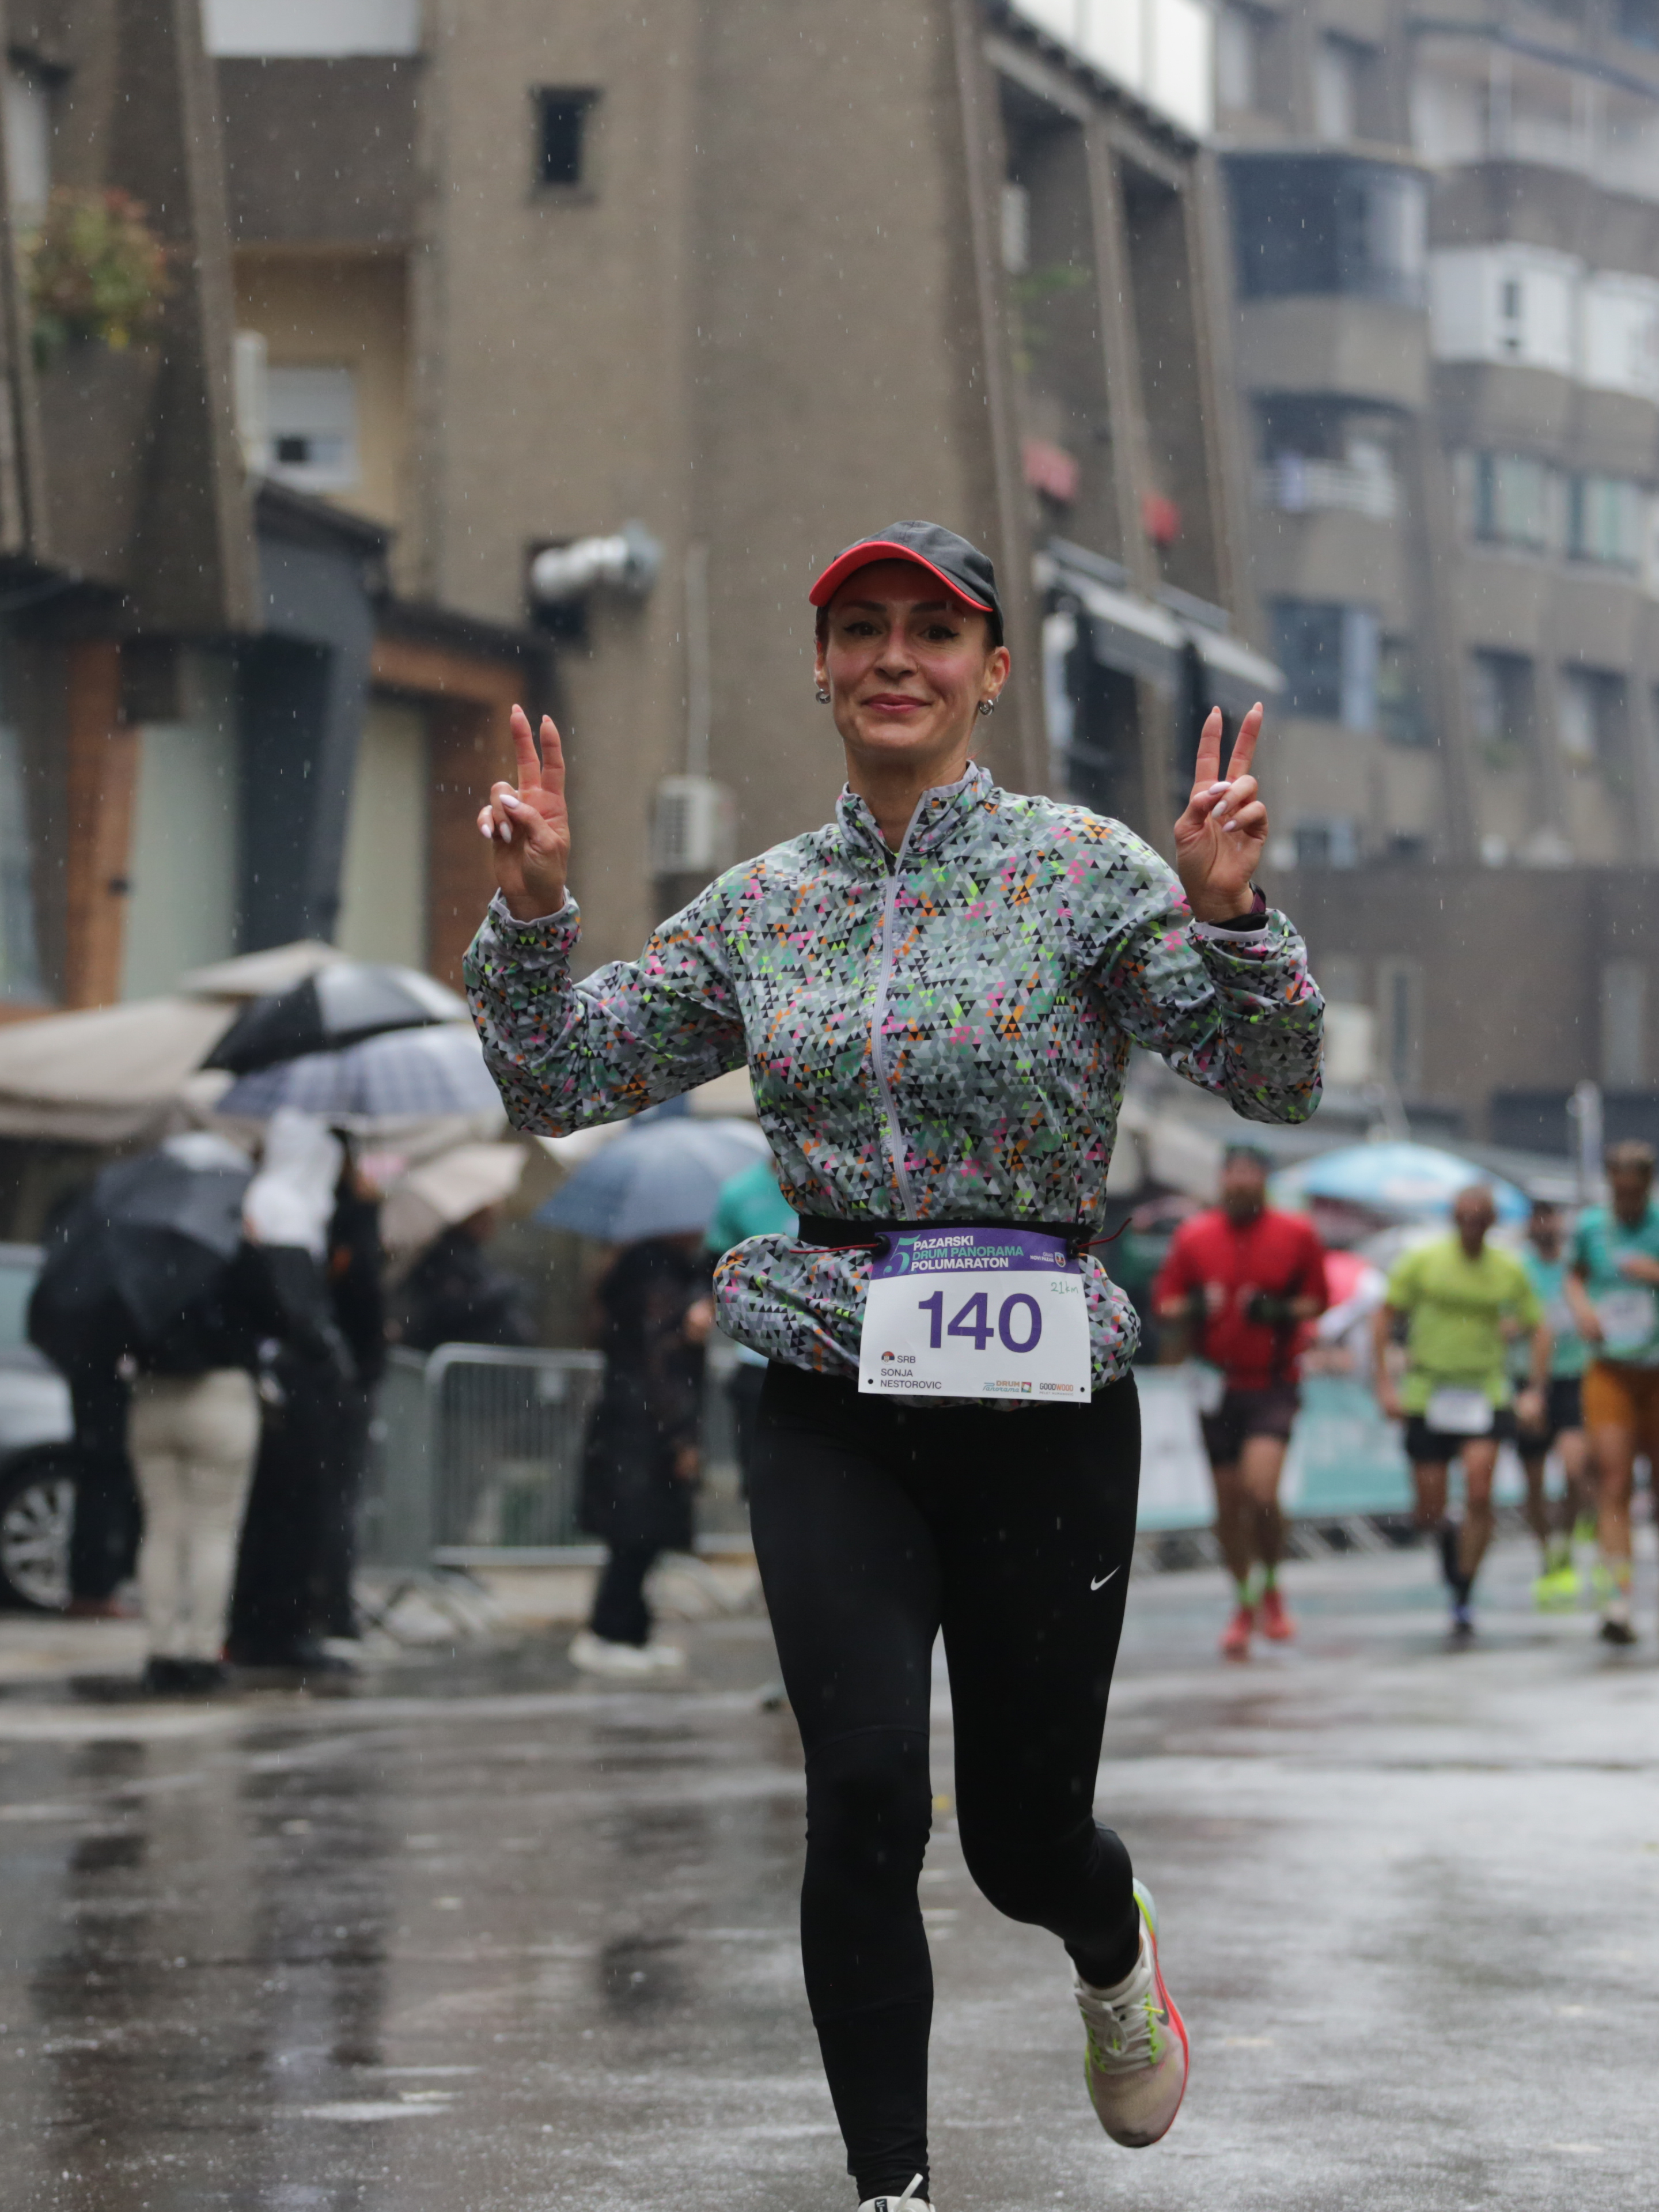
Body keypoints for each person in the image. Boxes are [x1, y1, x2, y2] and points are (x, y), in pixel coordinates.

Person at [465, 520, 1323, 2208]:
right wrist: (535, 909)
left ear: (990, 670)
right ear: (822, 666)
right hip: (835, 1387)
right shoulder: (766, 903)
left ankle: (1109, 1943)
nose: (893, 658)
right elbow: (560, 1077)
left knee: (1018, 1836)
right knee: (860, 1790)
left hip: (1038, 1397)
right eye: (860, 627)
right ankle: (891, 2189)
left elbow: (1273, 1077)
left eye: (933, 630)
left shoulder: (1082, 869)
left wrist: (1232, 917)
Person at [1153, 1146, 1326, 1660]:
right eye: (1234, 1174)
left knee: (1261, 1491)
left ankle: (1271, 1583)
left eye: (1252, 1174)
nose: (1241, 1183)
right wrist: (1193, 1306)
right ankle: (1244, 1600)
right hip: (1215, 1387)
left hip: (1272, 1383)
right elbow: (1164, 1303)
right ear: (1222, 1179)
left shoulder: (1296, 1233)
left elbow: (1318, 1300)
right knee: (1227, 1505)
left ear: (1265, 1181)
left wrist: (1278, 1310)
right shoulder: (1194, 1236)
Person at [228, 1138, 385, 1675]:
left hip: (289, 1390)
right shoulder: (290, 1214)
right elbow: (304, 1317)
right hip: (301, 1395)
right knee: (296, 1517)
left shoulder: (272, 1206)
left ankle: (265, 1628)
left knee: (280, 1517)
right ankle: (281, 1630)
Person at [1373, 1186, 1549, 1642]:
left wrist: (1534, 1390)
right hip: (1429, 1392)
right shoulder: (1424, 1260)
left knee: (1479, 1489)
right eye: (1464, 1216)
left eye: (1480, 1216)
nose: (1471, 1224)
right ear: (1453, 1218)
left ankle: (1464, 1592)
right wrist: (1384, 1382)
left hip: (1484, 1391)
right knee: (1428, 1510)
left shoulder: (1508, 1267)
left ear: (1492, 1221)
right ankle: (1448, 1536)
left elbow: (1539, 1326)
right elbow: (1384, 1315)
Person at [568, 1234, 713, 1677]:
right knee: (635, 1537)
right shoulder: (656, 1275)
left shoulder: (638, 1272)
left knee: (638, 1538)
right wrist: (682, 1435)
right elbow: (659, 1362)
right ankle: (610, 1632)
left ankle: (630, 1632)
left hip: (631, 1424)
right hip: (642, 1431)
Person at [1563, 1139, 1659, 1645]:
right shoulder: (1591, 1228)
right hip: (1610, 1370)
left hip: (1656, 1369)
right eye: (1619, 1192)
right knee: (1614, 1480)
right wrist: (1582, 1310)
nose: (1626, 1202)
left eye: (1634, 1194)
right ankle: (1618, 1600)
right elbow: (1574, 1278)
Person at [1513, 1198, 1590, 1612]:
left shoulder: (1574, 1267)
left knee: (1576, 1468)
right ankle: (1547, 1555)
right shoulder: (1517, 1269)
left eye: (1550, 1217)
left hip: (1573, 1376)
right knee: (1534, 1478)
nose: (1545, 1225)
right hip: (1526, 1381)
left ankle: (1567, 1542)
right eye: (1537, 1218)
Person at [705, 1154, 797, 1496]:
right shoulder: (739, 1192)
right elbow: (712, 1265)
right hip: (758, 1357)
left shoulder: (838, 1184)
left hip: (828, 1360)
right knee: (761, 1482)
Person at [395, 1205, 536, 1352]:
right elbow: (451, 1308)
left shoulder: (469, 1253)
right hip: (454, 1349)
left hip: (471, 1350)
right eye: (486, 1221)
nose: (492, 1229)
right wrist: (503, 1290)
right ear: (470, 1220)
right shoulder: (446, 1255)